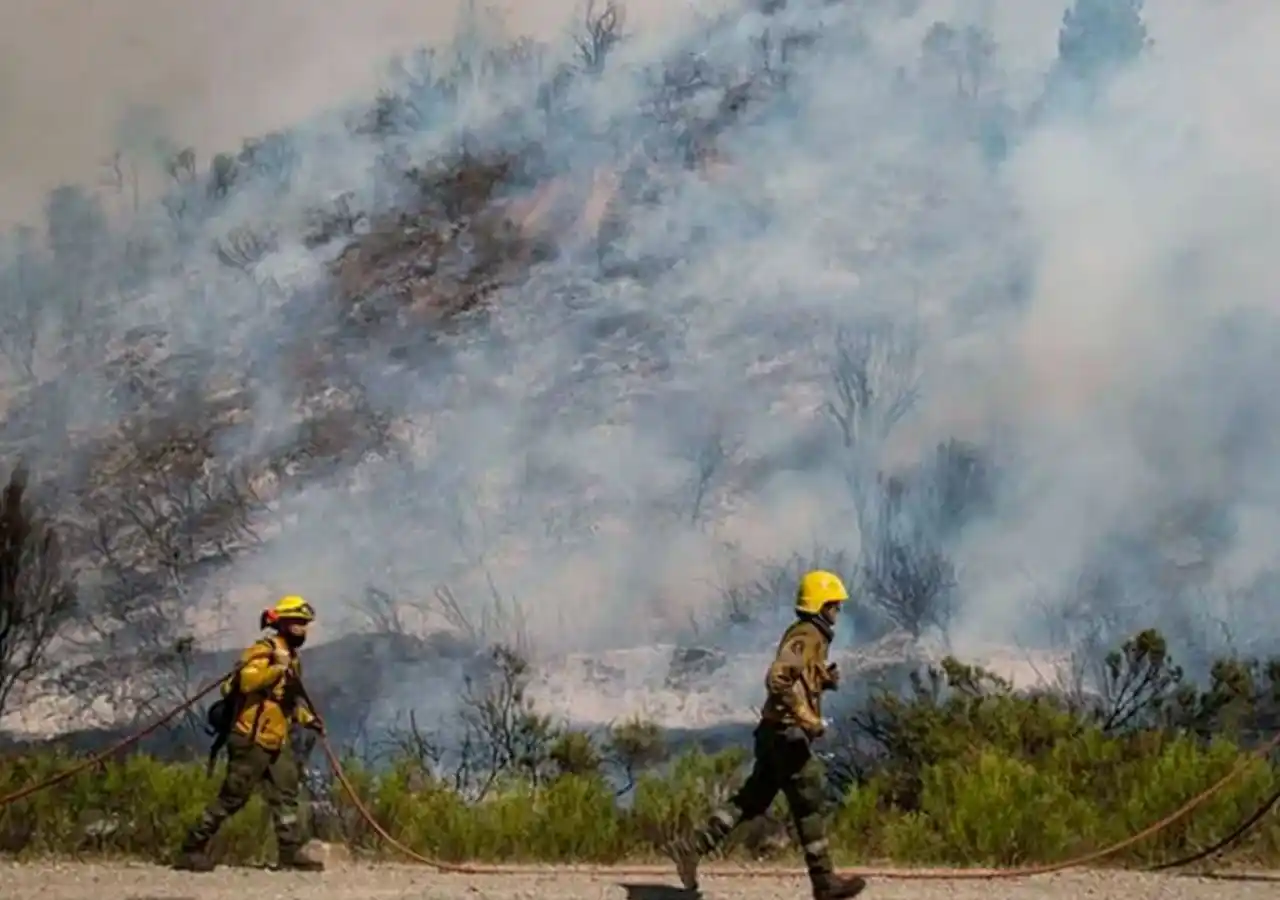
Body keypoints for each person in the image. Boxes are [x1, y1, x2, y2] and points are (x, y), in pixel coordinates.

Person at [669, 570, 868, 899]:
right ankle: (824, 882)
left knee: (752, 799)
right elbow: (778, 679)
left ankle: (692, 846)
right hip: (786, 734)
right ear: (820, 606)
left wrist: (824, 680)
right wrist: (805, 717)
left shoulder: (810, 637)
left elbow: (798, 677)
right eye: (834, 605)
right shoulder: (804, 636)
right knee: (809, 802)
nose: (837, 612)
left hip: (776, 733)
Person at [174, 595, 326, 872]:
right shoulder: (264, 651)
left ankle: (289, 853)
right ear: (283, 624)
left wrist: (308, 720)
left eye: (305, 624)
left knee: (286, 793)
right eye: (298, 624)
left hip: (276, 740)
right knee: (233, 796)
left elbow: (287, 702)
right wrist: (276, 666)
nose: (303, 630)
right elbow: (247, 682)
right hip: (250, 738)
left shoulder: (292, 658)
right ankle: (191, 849)